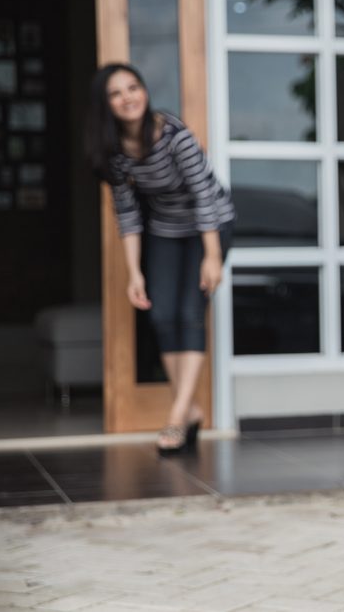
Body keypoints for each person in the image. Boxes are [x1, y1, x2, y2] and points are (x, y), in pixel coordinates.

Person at [86, 63, 235, 455]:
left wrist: (213, 255)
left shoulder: (173, 135)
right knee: (160, 315)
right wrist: (134, 272)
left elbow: (204, 194)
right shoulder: (115, 152)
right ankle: (190, 409)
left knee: (190, 313)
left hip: (210, 227)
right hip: (166, 231)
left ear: (145, 90)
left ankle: (177, 414)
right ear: (106, 105)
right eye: (116, 93)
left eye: (133, 87)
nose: (127, 98)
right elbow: (129, 214)